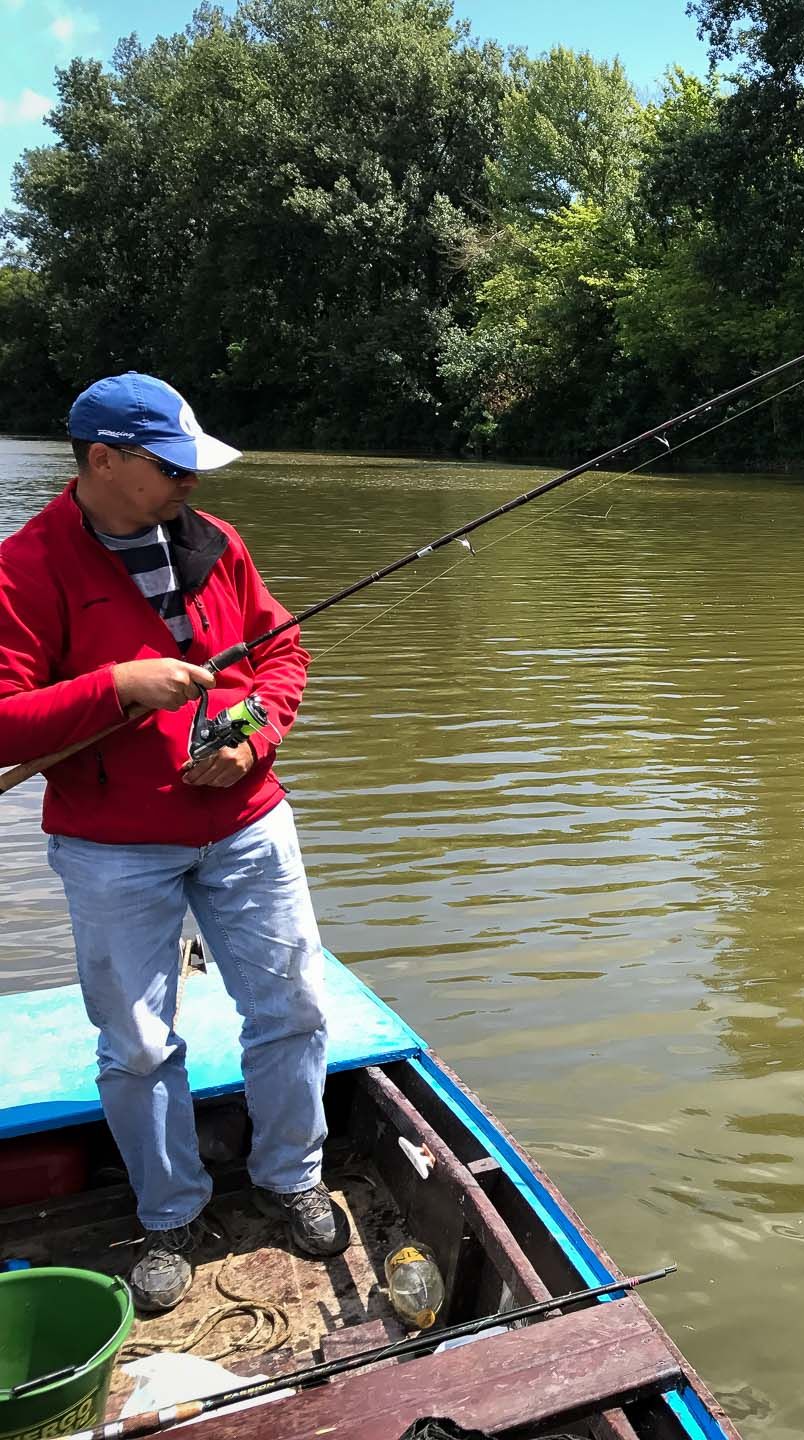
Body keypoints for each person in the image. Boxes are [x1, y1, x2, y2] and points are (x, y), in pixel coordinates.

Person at [0, 372, 346, 1313]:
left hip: (247, 822)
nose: (192, 484)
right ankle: (169, 1215)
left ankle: (291, 1178)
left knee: (294, 1009)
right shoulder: (24, 570)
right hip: (113, 848)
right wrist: (115, 686)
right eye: (172, 467)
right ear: (101, 461)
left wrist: (251, 739)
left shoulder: (217, 544)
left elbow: (283, 656)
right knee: (139, 1044)